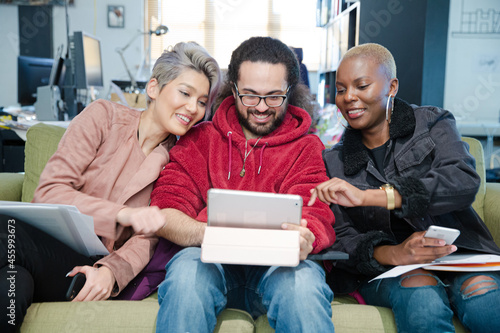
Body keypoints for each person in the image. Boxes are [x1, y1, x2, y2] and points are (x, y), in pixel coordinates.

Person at [0, 41, 221, 332]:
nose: (193, 108)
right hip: (46, 244)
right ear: (153, 88)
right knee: (13, 280)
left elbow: (151, 238)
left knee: (7, 233)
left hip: (90, 263)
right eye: (185, 93)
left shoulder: (179, 158)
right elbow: (50, 191)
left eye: (202, 101)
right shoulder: (103, 116)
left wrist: (110, 273)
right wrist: (122, 214)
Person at [309, 43, 500, 333]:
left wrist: (372, 196)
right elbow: (340, 239)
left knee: (484, 299)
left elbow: (461, 181)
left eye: (361, 85)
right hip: (390, 269)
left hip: (458, 255)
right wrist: (397, 253)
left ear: (392, 86)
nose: (349, 98)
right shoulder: (334, 161)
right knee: (423, 301)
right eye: (341, 89)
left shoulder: (432, 123)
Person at [150, 36, 336, 333]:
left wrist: (307, 235)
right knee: (187, 276)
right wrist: (213, 235)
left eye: (274, 96)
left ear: (291, 92)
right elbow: (165, 209)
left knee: (302, 286)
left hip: (279, 270)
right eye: (249, 95)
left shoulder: (307, 147)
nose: (261, 107)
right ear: (232, 90)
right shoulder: (201, 139)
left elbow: (316, 214)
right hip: (209, 262)